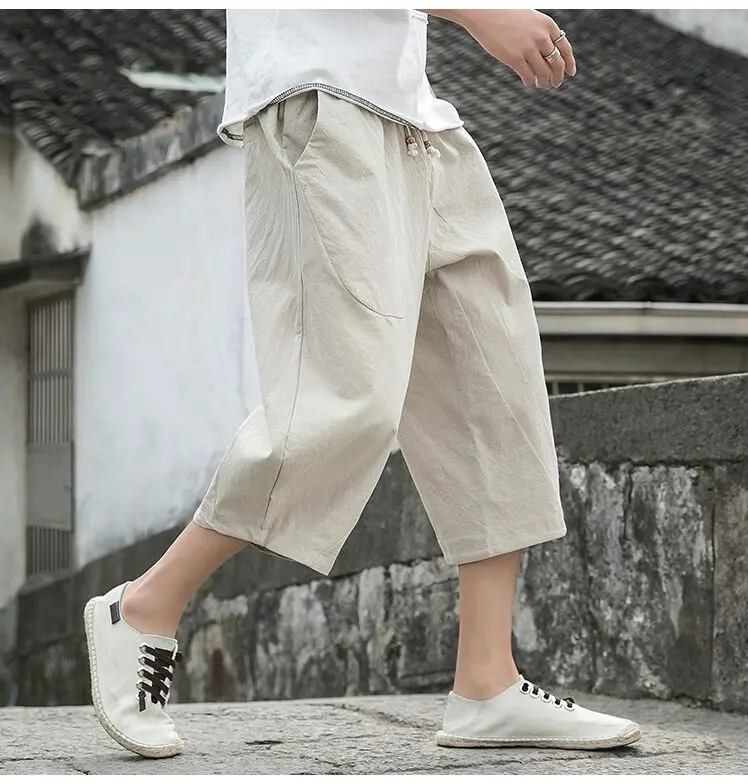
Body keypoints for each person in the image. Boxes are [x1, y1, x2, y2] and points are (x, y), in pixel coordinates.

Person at [84, 9, 640, 759]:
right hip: (324, 103)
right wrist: (479, 11)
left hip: (419, 119)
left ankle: (487, 682)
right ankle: (145, 606)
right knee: (347, 399)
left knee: (493, 383)